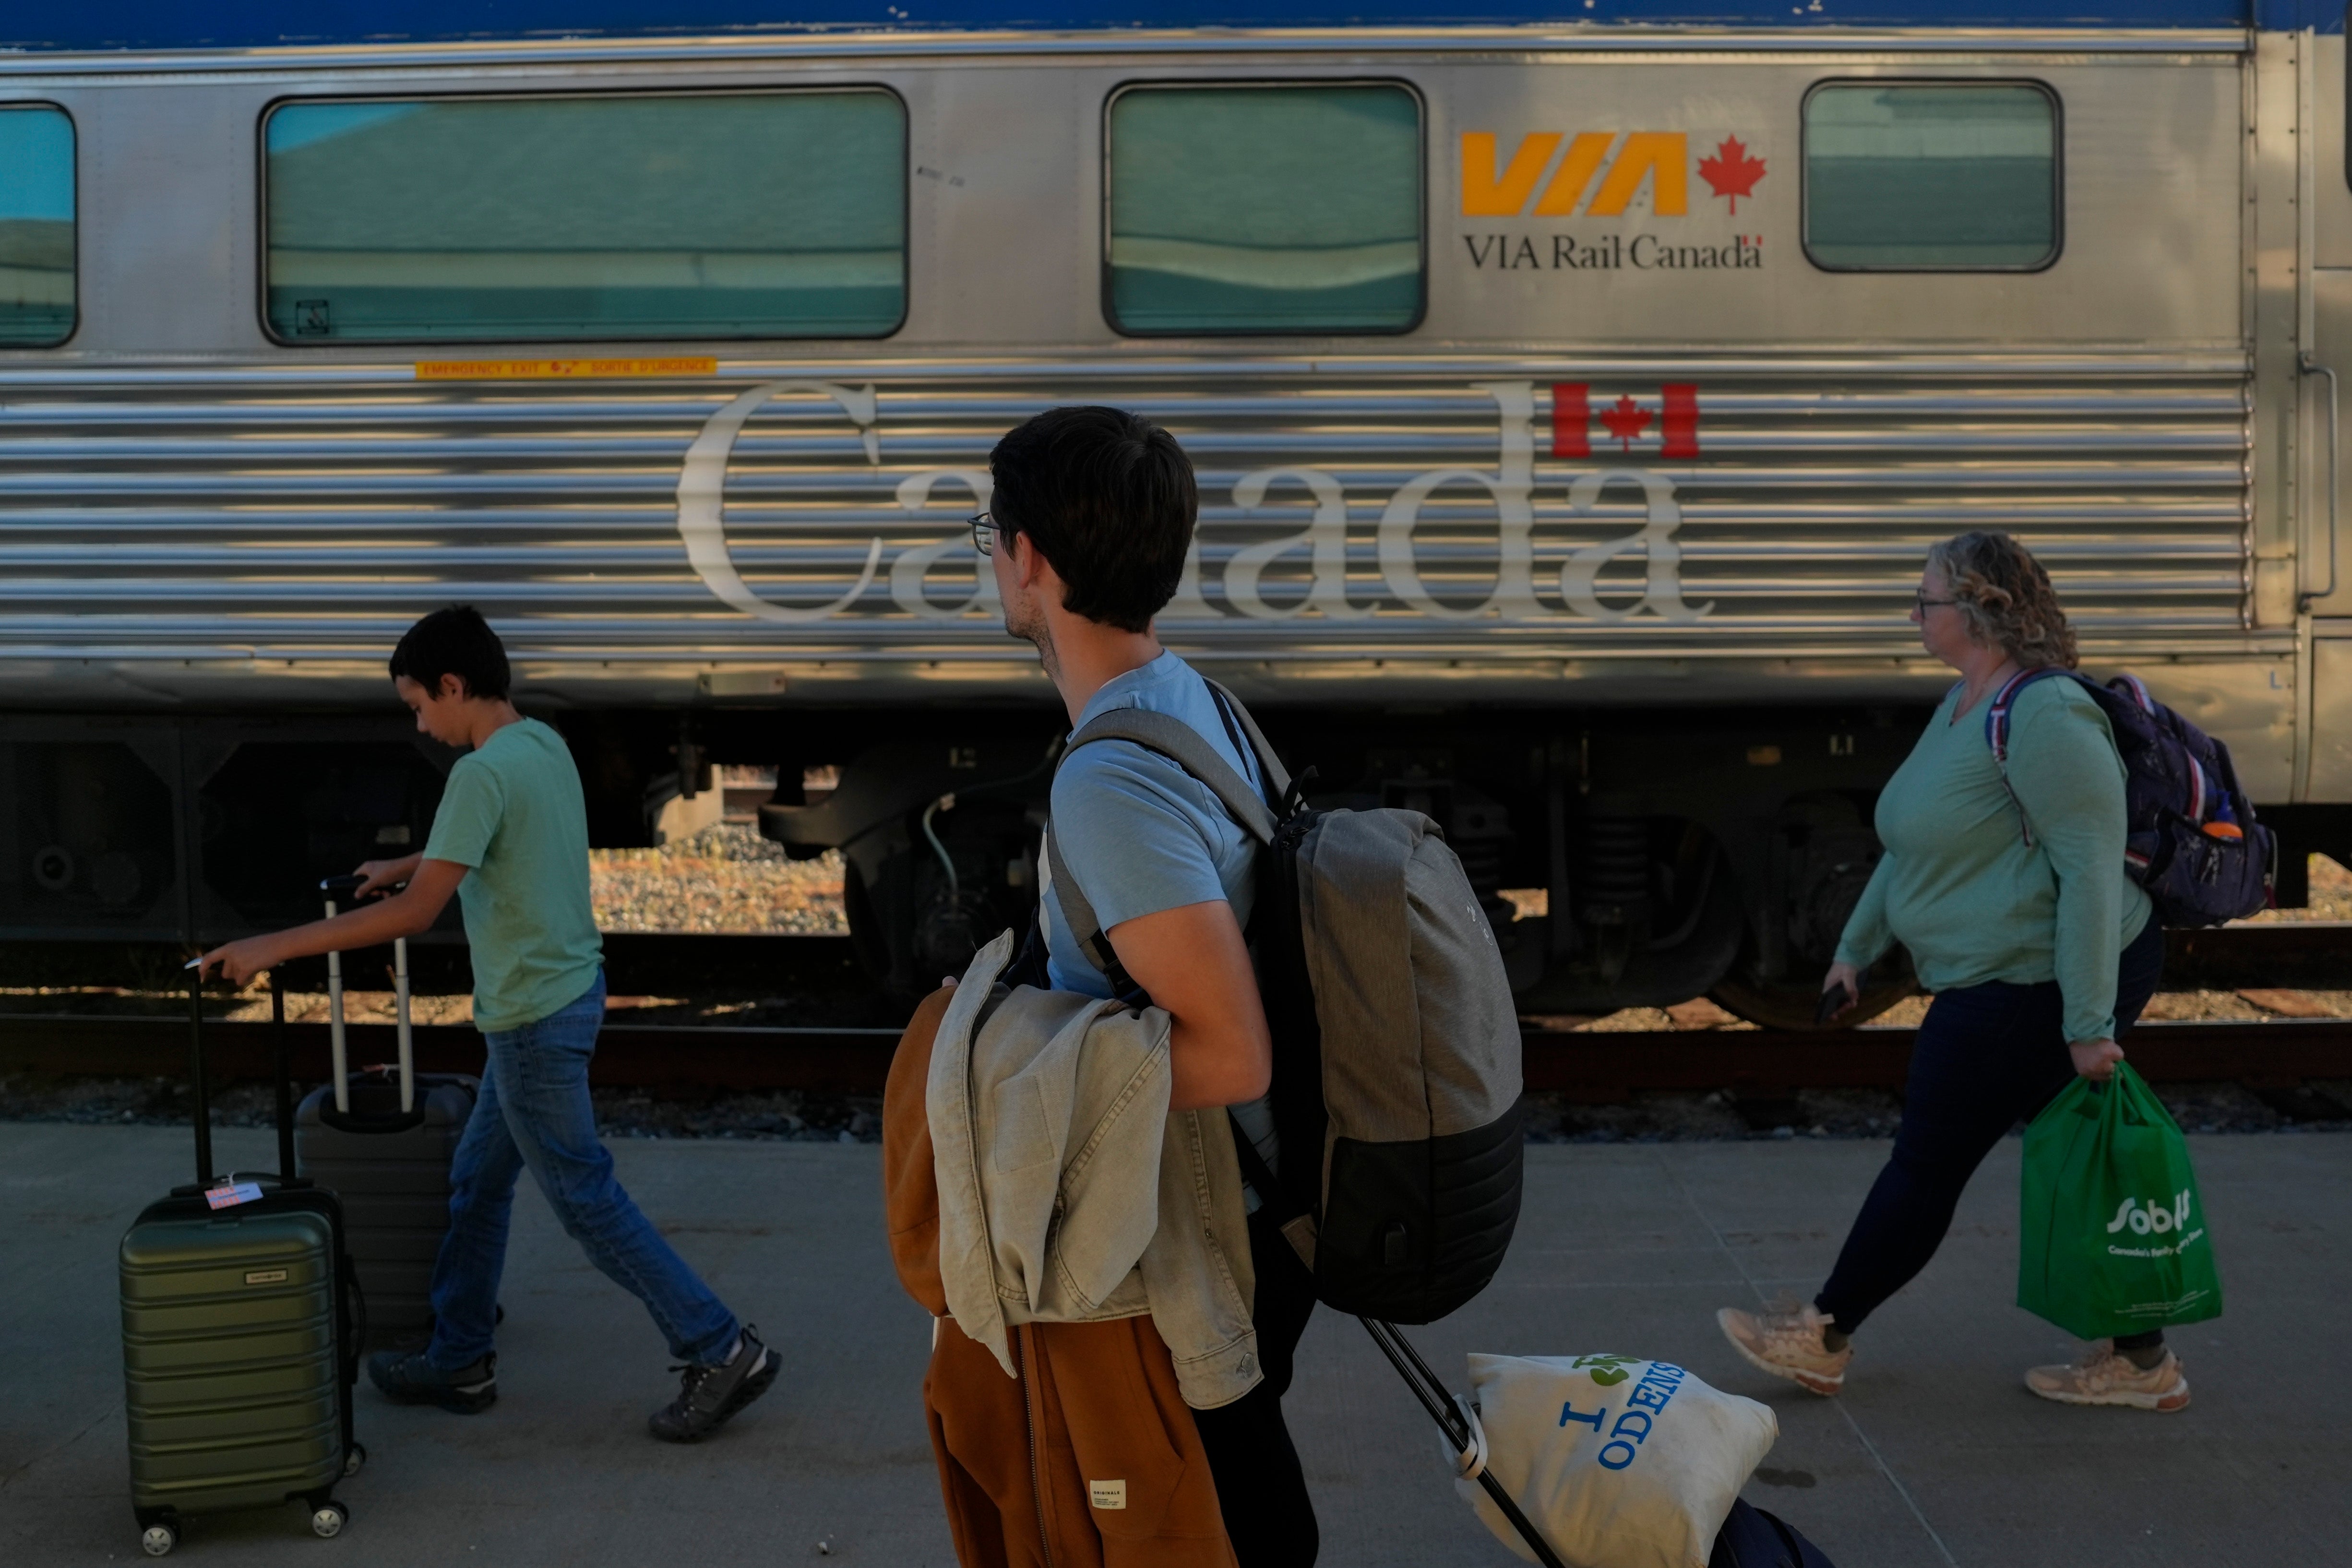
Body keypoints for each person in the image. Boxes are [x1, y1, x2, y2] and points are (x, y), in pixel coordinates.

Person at [198, 606, 776, 1442]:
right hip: (561, 995)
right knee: (476, 1185)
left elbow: (417, 913)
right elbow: (499, 845)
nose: (420, 722)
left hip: (533, 1020)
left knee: (586, 1201)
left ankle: (722, 1347)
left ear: (453, 686)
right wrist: (404, 861)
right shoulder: (537, 744)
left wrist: (272, 946)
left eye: (419, 705)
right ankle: (460, 1356)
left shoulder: (479, 774)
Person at [1715, 531, 2186, 1412]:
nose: (1913, 613)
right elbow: (1910, 839)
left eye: (1925, 600)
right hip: (2001, 975)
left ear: (1979, 613)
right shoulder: (1964, 701)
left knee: (1926, 1160)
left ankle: (1822, 1333)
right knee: (2079, 1162)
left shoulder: (2046, 715)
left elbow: (2089, 871)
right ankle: (2141, 1359)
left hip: (2034, 981)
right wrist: (1854, 947)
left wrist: (2086, 1026)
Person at [981, 405, 1321, 1565]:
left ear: (1029, 558)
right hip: (1259, 1193)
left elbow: (1232, 1050)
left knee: (1220, 1516)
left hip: (1217, 1218)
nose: (994, 555)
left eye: (994, 532)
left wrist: (1032, 1094)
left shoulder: (1112, 781)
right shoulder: (1191, 697)